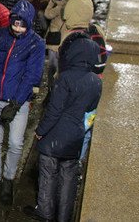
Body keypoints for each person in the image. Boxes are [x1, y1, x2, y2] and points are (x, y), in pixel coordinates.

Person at [23, 36, 102, 222]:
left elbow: (54, 110)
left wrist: (40, 131)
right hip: (75, 135)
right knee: (68, 179)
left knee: (48, 175)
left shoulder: (64, 78)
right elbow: (90, 107)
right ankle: (64, 216)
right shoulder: (96, 81)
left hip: (55, 135)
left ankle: (45, 212)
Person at [0, 0, 46, 204]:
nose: (17, 28)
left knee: (14, 143)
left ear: (29, 24)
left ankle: (8, 179)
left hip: (17, 103)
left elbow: (32, 75)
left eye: (22, 25)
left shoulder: (36, 43)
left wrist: (16, 102)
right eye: (14, 23)